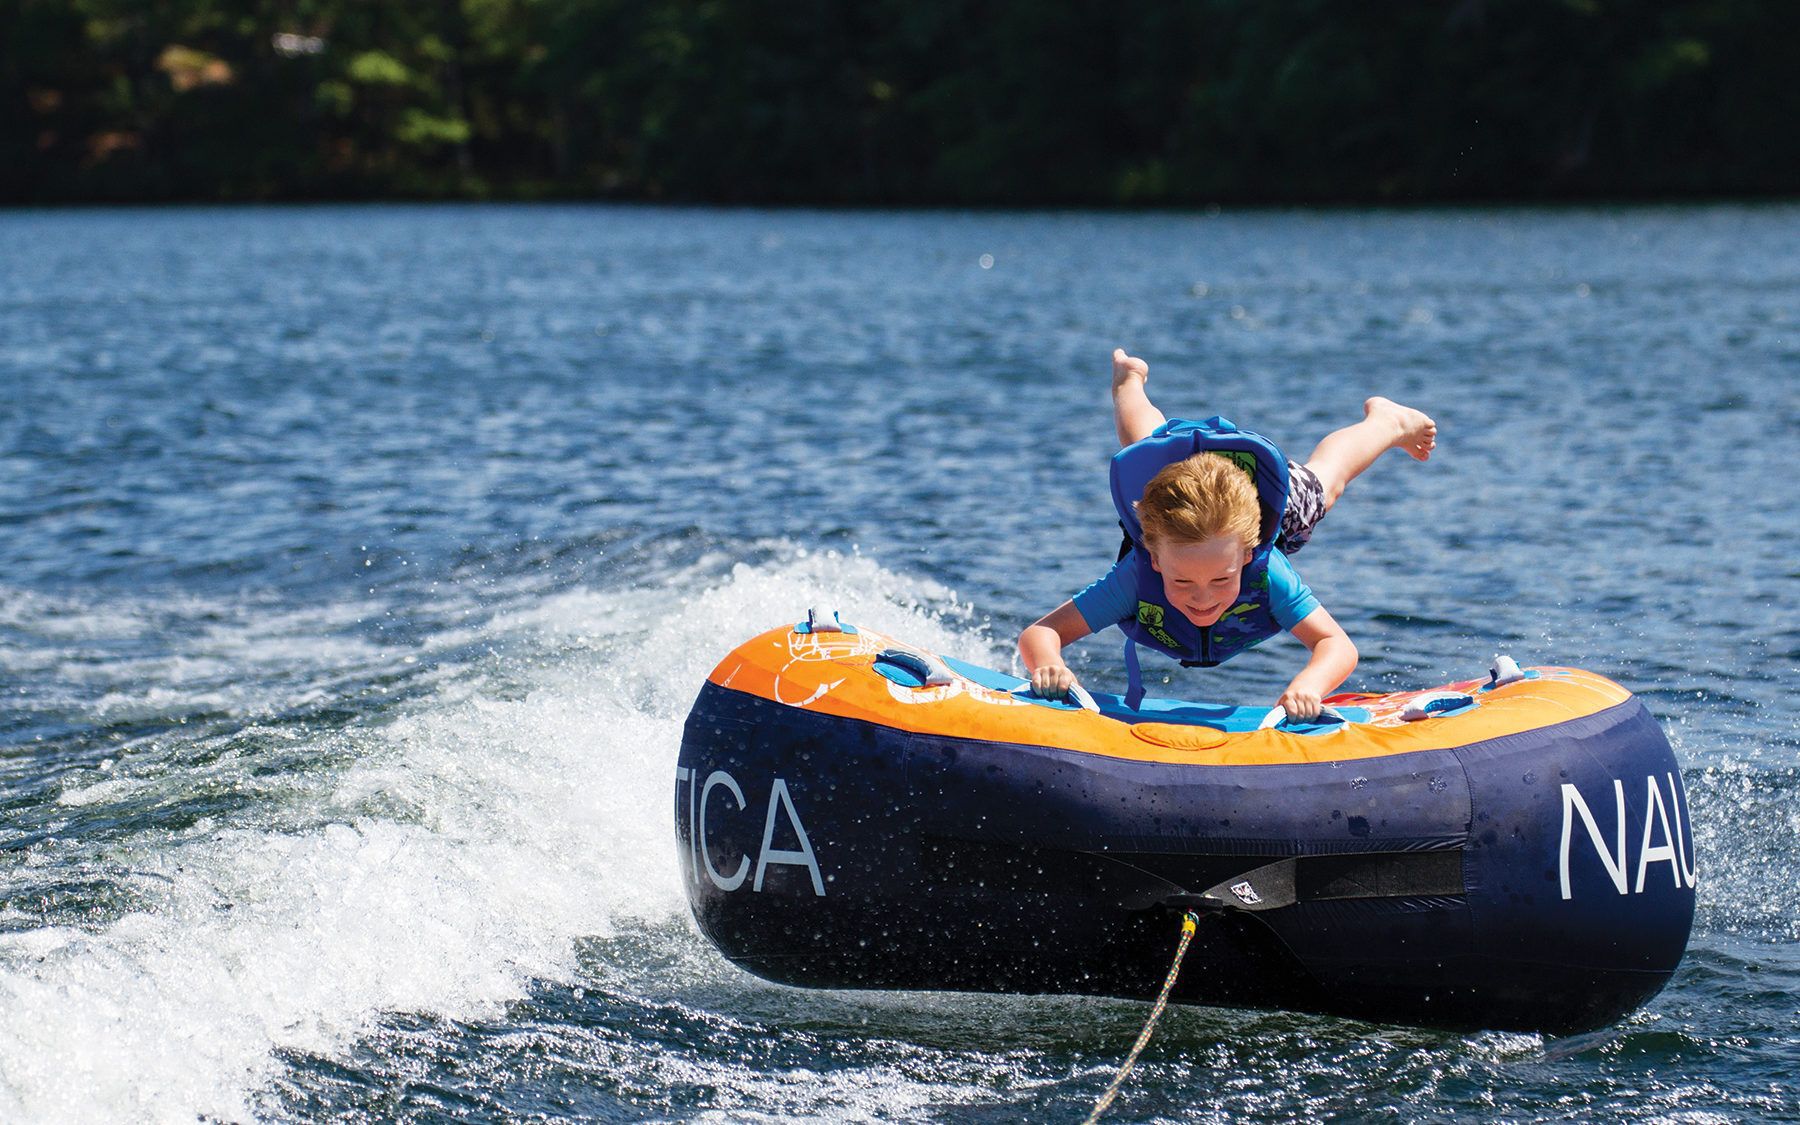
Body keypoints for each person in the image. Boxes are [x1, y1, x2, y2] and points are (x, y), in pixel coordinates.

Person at [1018, 348, 1437, 719]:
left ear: (1248, 556)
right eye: (1182, 581)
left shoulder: (1266, 570)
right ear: (1157, 559)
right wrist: (1049, 664)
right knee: (1144, 450)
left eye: (1221, 579)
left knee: (1326, 485)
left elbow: (1337, 645)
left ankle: (1387, 420)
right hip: (1180, 511)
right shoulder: (1137, 575)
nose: (1203, 598)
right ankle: (1127, 381)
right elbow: (1041, 633)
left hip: (1260, 510)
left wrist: (1308, 685)